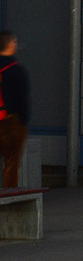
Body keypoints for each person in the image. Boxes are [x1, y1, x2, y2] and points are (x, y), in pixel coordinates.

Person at [0, 31, 31, 188]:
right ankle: (8, 200)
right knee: (11, 163)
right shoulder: (16, 70)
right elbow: (22, 99)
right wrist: (23, 122)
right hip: (11, 121)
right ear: (10, 43)